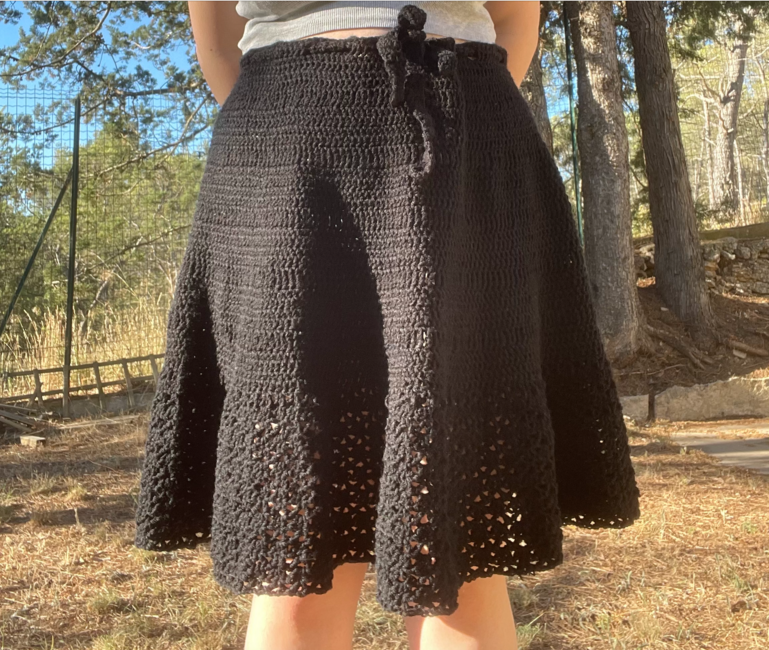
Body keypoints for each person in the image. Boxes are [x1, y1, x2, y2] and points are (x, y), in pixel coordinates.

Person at [134, 3, 641, 650]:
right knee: (295, 543)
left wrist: (449, 112)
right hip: (285, 155)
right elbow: (217, 40)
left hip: (457, 138)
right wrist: (309, 110)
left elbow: (515, 19)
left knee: (458, 544)